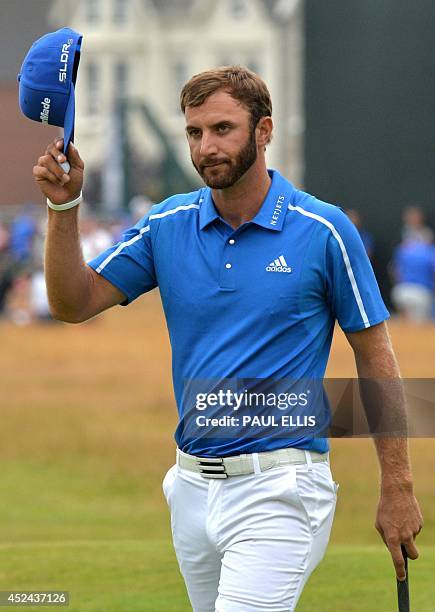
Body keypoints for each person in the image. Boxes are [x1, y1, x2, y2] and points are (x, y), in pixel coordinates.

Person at [33, 66, 422, 611]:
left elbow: (376, 357)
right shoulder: (165, 224)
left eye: (223, 129)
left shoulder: (324, 230)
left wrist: (398, 486)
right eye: (194, 133)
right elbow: (72, 303)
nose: (206, 146)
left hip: (283, 488)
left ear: (264, 131)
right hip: (191, 488)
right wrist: (63, 205)